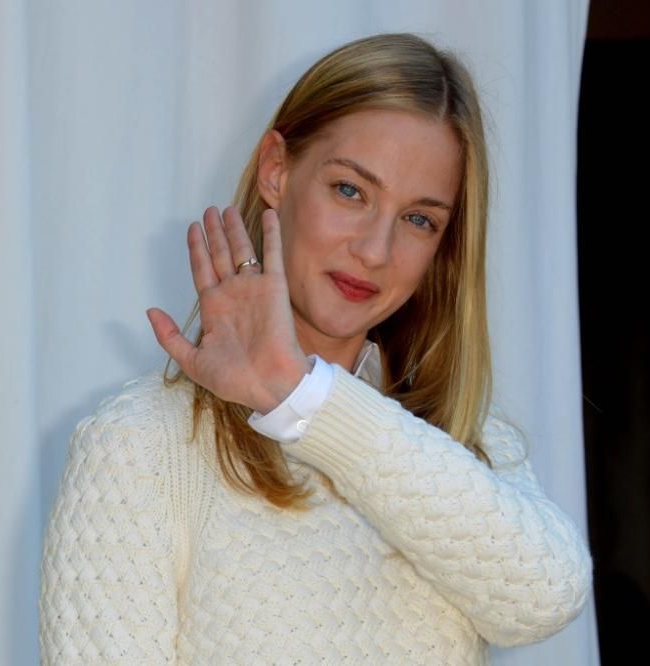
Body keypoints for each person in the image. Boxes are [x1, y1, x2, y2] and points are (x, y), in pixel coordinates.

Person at [39, 32, 593, 664]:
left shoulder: (467, 440)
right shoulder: (139, 445)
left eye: (419, 219)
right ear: (277, 170)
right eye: (350, 190)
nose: (375, 250)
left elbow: (546, 599)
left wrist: (304, 399)